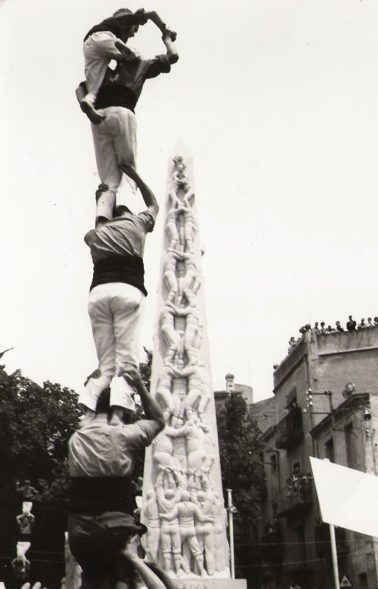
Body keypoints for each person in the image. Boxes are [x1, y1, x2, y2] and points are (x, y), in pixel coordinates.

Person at [68, 374, 165, 588]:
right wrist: (139, 386)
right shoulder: (126, 435)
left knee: (91, 579)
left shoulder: (76, 439)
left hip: (80, 531)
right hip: (114, 527)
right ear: (119, 409)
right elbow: (159, 420)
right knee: (125, 578)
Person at [76, 26, 178, 225]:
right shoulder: (139, 64)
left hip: (99, 117)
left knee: (108, 178)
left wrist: (84, 104)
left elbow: (79, 89)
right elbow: (173, 56)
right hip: (123, 112)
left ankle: (103, 216)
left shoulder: (99, 72)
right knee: (128, 169)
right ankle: (124, 211)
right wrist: (167, 38)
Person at [79, 175, 158, 422]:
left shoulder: (99, 231)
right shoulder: (138, 223)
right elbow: (154, 204)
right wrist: (133, 174)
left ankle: (88, 416)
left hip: (98, 294)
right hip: (127, 290)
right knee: (126, 364)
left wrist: (101, 198)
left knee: (106, 366)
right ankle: (115, 420)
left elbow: (100, 217)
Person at [81, 8, 176, 124]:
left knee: (93, 87)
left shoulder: (109, 24)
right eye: (135, 30)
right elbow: (152, 14)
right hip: (107, 39)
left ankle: (88, 100)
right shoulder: (128, 18)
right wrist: (164, 30)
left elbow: (80, 88)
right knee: (133, 57)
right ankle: (125, 50)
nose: (132, 35)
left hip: (89, 45)